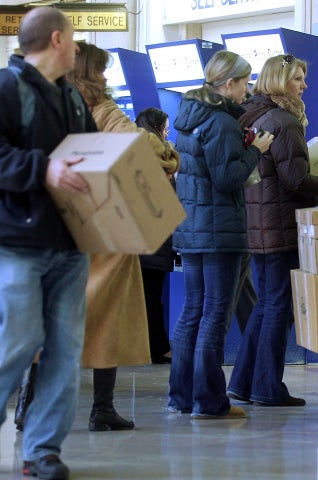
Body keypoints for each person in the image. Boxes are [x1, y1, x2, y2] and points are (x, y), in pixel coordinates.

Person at [227, 54, 318, 407]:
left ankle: (242, 382)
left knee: (265, 305)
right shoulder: (284, 121)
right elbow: (295, 179)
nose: (305, 86)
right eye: (298, 79)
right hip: (281, 224)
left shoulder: (253, 115)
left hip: (259, 224)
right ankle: (267, 387)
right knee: (278, 308)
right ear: (280, 81)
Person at [0, 7, 97, 480]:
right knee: (17, 340)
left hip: (71, 242)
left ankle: (42, 452)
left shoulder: (74, 99)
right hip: (17, 240)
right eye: (74, 39)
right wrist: (43, 168)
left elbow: (95, 156)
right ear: (57, 40)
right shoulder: (5, 87)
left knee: (65, 348)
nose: (78, 49)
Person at [66, 42, 181, 431]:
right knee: (107, 318)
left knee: (50, 318)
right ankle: (101, 408)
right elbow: (142, 146)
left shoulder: (51, 104)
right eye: (101, 71)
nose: (105, 78)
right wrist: (169, 155)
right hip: (104, 226)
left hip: (57, 225)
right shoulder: (105, 110)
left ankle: (30, 405)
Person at [169, 50, 274, 420]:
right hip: (220, 230)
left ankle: (181, 396)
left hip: (192, 227)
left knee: (192, 312)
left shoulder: (187, 118)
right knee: (214, 314)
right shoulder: (221, 122)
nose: (247, 90)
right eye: (244, 82)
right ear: (228, 83)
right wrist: (255, 150)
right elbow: (228, 177)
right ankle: (209, 401)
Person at [135, 107, 176, 364]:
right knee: (151, 297)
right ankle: (158, 348)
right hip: (152, 236)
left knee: (145, 297)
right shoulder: (158, 158)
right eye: (165, 126)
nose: (168, 131)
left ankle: (148, 348)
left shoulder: (133, 154)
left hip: (138, 236)